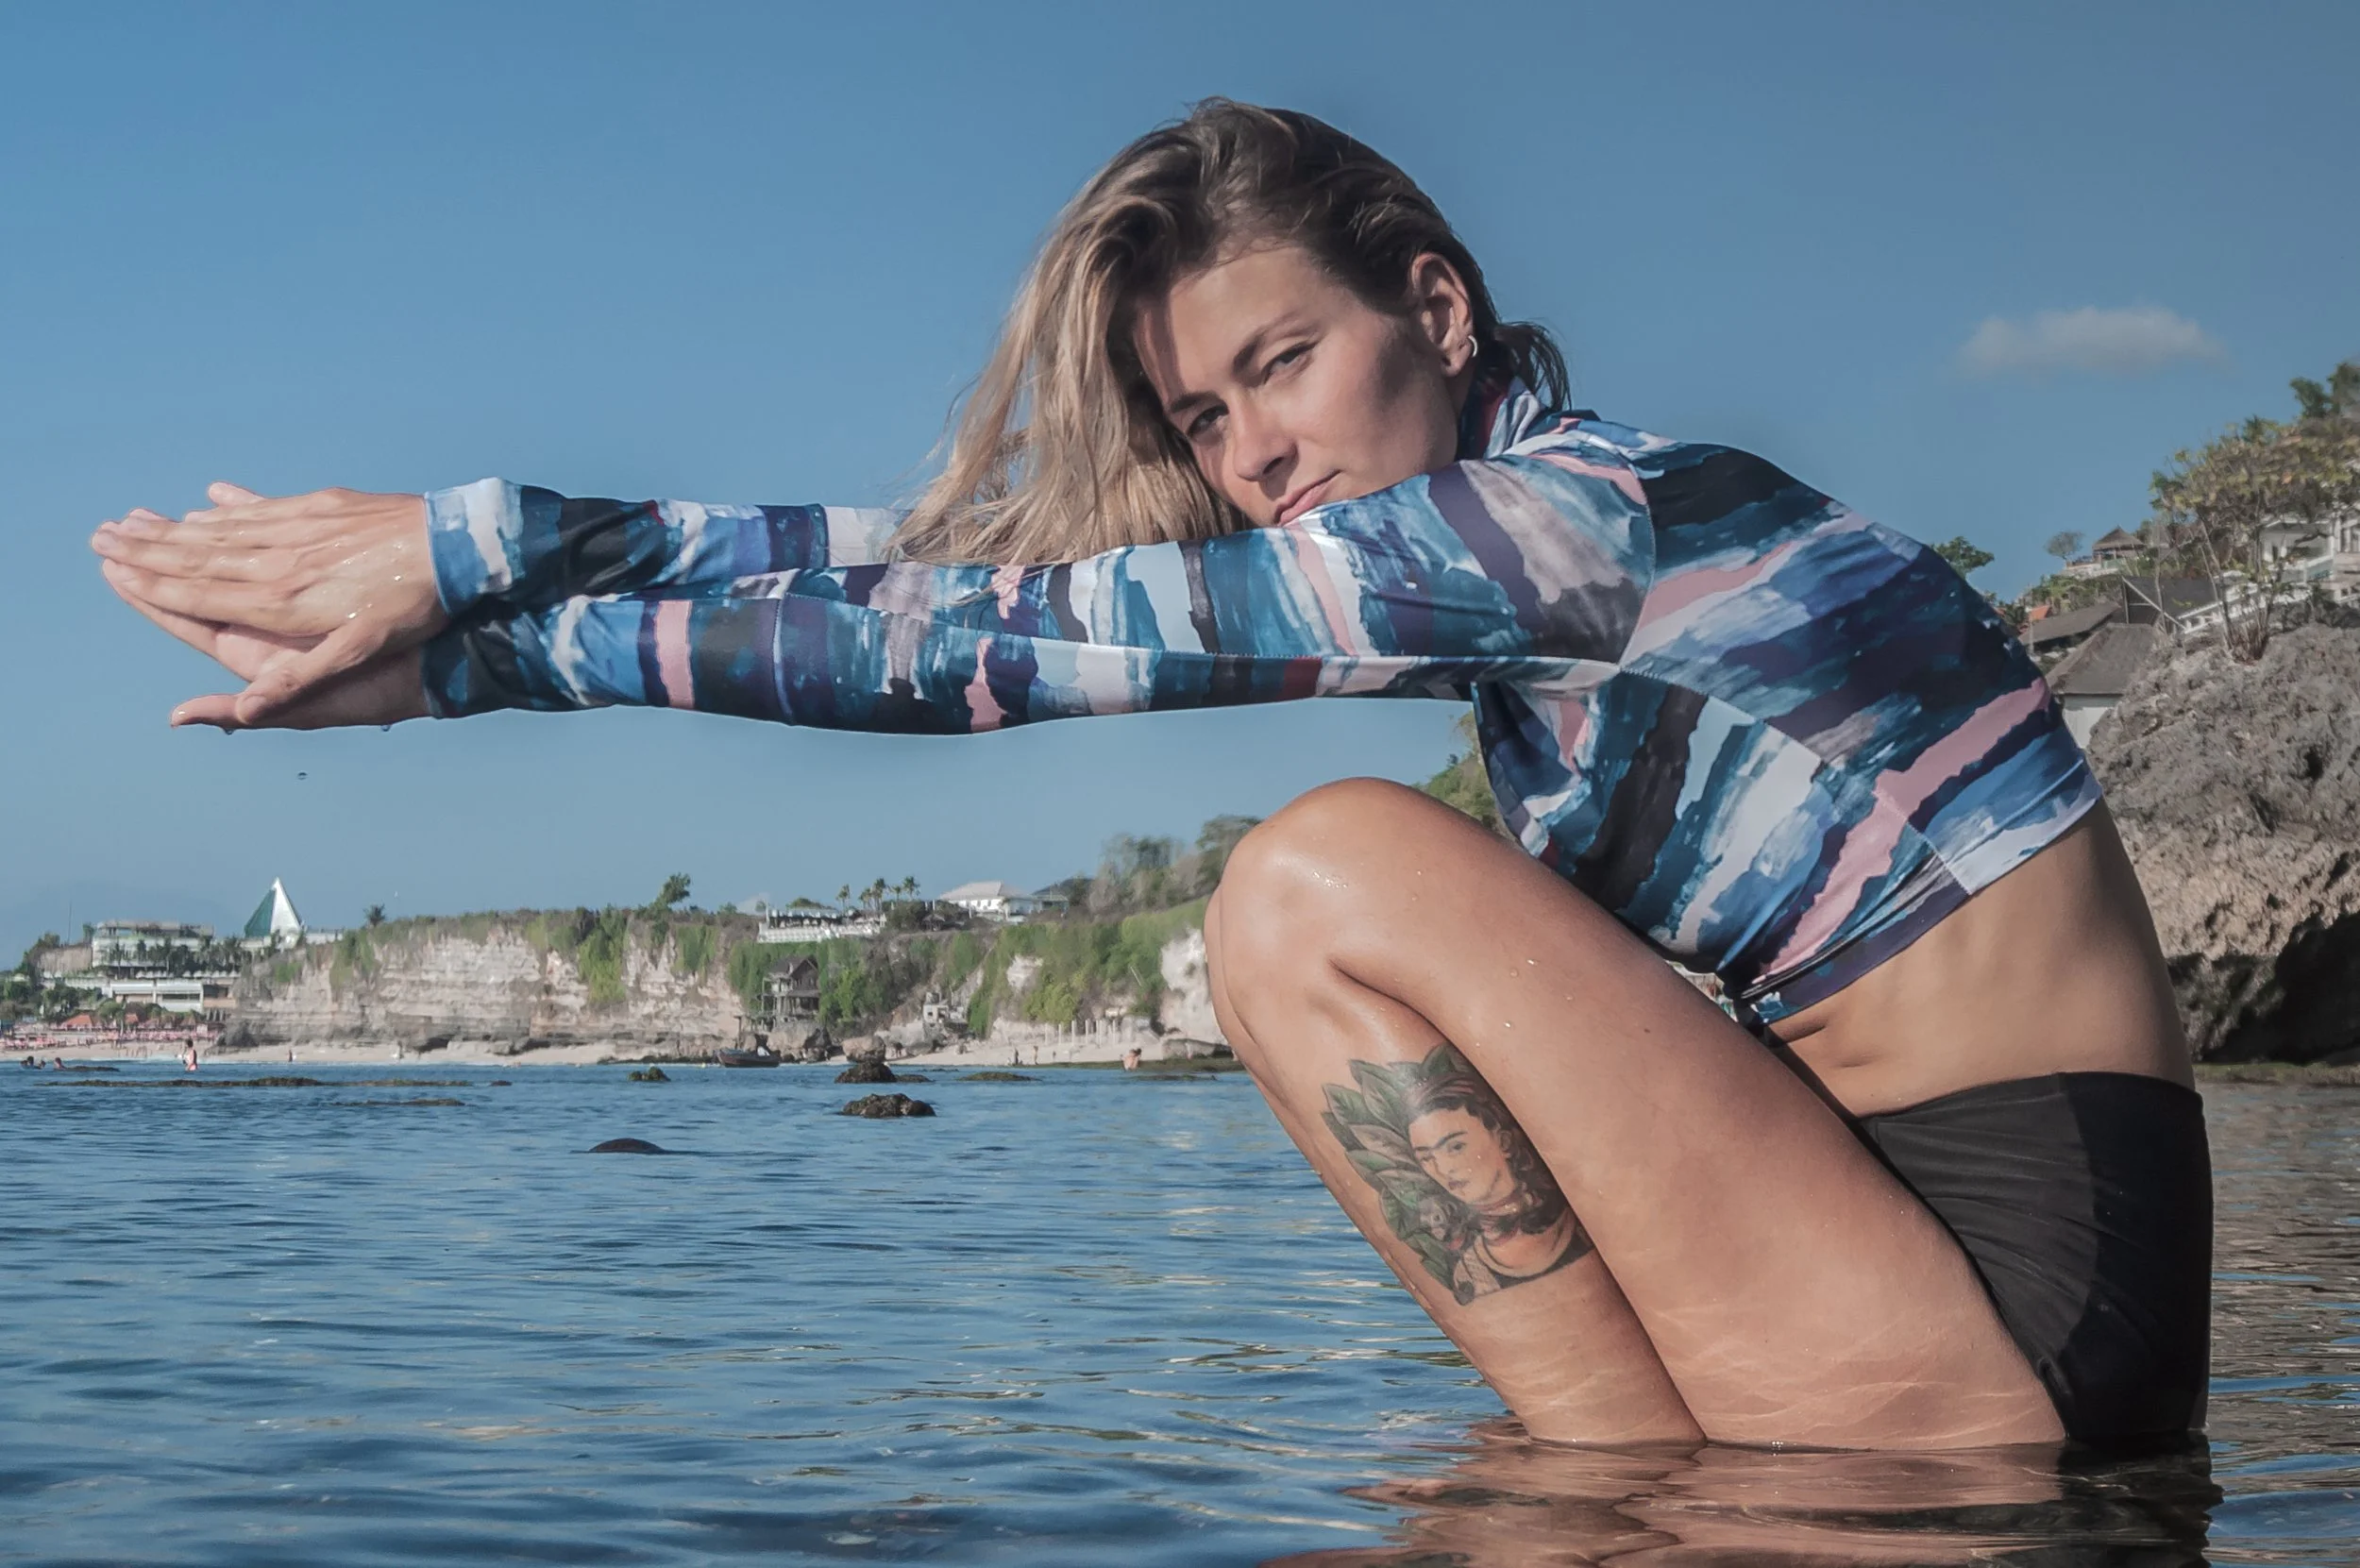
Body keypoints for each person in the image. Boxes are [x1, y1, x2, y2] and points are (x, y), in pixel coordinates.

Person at [88, 100, 2207, 1451]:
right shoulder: (1532, 593)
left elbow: (979, 655)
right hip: (1933, 1279)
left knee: (1315, 886)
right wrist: (464, 664)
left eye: (1278, 362)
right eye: (1203, 414)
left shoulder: (1590, 522)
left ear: (1436, 307)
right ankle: (1592, 1486)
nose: (1249, 448)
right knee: (1318, 903)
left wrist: (478, 551)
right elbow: (958, 579)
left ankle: (1601, 1491)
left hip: (2014, 1316)